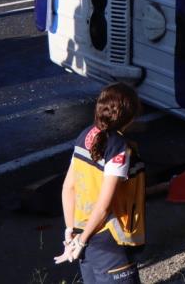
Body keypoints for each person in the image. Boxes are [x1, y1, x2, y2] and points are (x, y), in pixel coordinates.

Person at [55, 83, 145, 284]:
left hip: (85, 238)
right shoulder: (118, 148)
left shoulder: (84, 136)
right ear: (130, 116)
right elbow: (104, 206)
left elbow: (68, 187)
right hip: (109, 242)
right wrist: (81, 240)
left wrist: (71, 230)